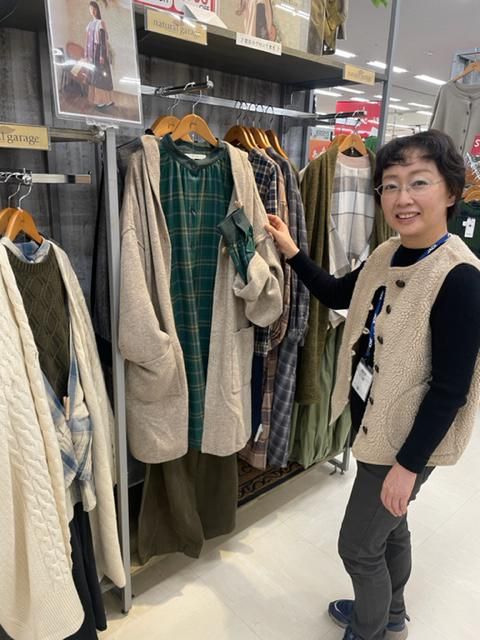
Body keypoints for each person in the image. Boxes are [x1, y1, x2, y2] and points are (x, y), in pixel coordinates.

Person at [265, 129, 480, 640]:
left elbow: (451, 390)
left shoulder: (460, 278)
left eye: (419, 182)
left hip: (405, 441)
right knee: (390, 526)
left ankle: (370, 631)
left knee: (358, 547)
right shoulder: (388, 252)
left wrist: (407, 467)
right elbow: (340, 292)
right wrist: (292, 251)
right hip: (373, 425)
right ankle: (392, 616)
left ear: (452, 192)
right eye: (390, 185)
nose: (402, 198)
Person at [85, 1, 114, 110]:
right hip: (92, 53)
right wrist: (86, 53)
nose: (92, 11)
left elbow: (102, 41)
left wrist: (102, 55)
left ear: (97, 10)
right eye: (90, 9)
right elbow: (87, 41)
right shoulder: (89, 24)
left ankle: (105, 100)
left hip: (99, 53)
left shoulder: (100, 23)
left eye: (94, 9)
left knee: (102, 77)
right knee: (94, 76)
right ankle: (97, 100)